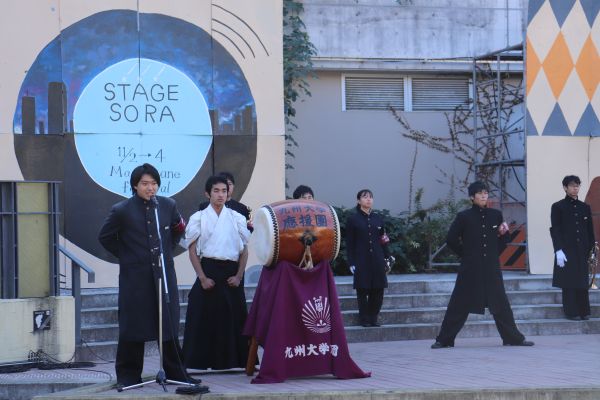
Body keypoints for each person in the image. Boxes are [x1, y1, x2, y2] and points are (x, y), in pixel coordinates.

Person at [98, 163, 197, 387]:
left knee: (168, 323)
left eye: (153, 183)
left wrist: (166, 250)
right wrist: (128, 256)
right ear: (135, 185)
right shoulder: (121, 210)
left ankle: (175, 373)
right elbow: (104, 237)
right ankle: (128, 376)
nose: (150, 188)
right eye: (145, 184)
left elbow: (178, 229)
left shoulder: (168, 205)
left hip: (163, 273)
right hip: (135, 278)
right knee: (133, 325)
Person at [431, 181, 534, 349]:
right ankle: (444, 340)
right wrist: (466, 254)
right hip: (470, 268)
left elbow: (504, 238)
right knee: (458, 304)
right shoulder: (464, 217)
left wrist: (495, 251)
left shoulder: (496, 215)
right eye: (479, 193)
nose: (484, 195)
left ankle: (513, 338)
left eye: (486, 192)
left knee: (501, 304)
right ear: (472, 197)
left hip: (491, 267)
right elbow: (451, 239)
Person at [183, 175, 251, 370]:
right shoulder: (198, 218)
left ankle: (235, 362)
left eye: (224, 191)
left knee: (234, 316)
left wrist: (238, 276)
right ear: (208, 193)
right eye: (216, 191)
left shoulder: (237, 218)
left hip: (231, 270)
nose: (221, 195)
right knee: (200, 314)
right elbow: (192, 251)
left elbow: (244, 250)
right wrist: (202, 277)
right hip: (208, 269)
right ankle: (198, 362)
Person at [550, 175, 595, 321]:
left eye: (577, 185)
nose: (575, 188)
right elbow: (555, 229)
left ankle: (584, 311)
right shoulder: (558, 206)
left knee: (582, 281)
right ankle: (571, 312)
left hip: (582, 249)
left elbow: (590, 230)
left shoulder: (584, 207)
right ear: (565, 188)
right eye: (572, 185)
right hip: (566, 249)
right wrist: (558, 250)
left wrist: (592, 249)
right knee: (569, 282)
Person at [346, 189, 391, 327]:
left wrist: (387, 256)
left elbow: (383, 239)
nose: (368, 199)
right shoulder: (353, 219)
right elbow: (350, 243)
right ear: (359, 201)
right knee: (363, 290)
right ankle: (364, 319)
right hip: (361, 259)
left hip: (377, 259)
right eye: (365, 197)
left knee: (378, 290)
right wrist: (351, 262)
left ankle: (373, 317)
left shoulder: (378, 218)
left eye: (371, 197)